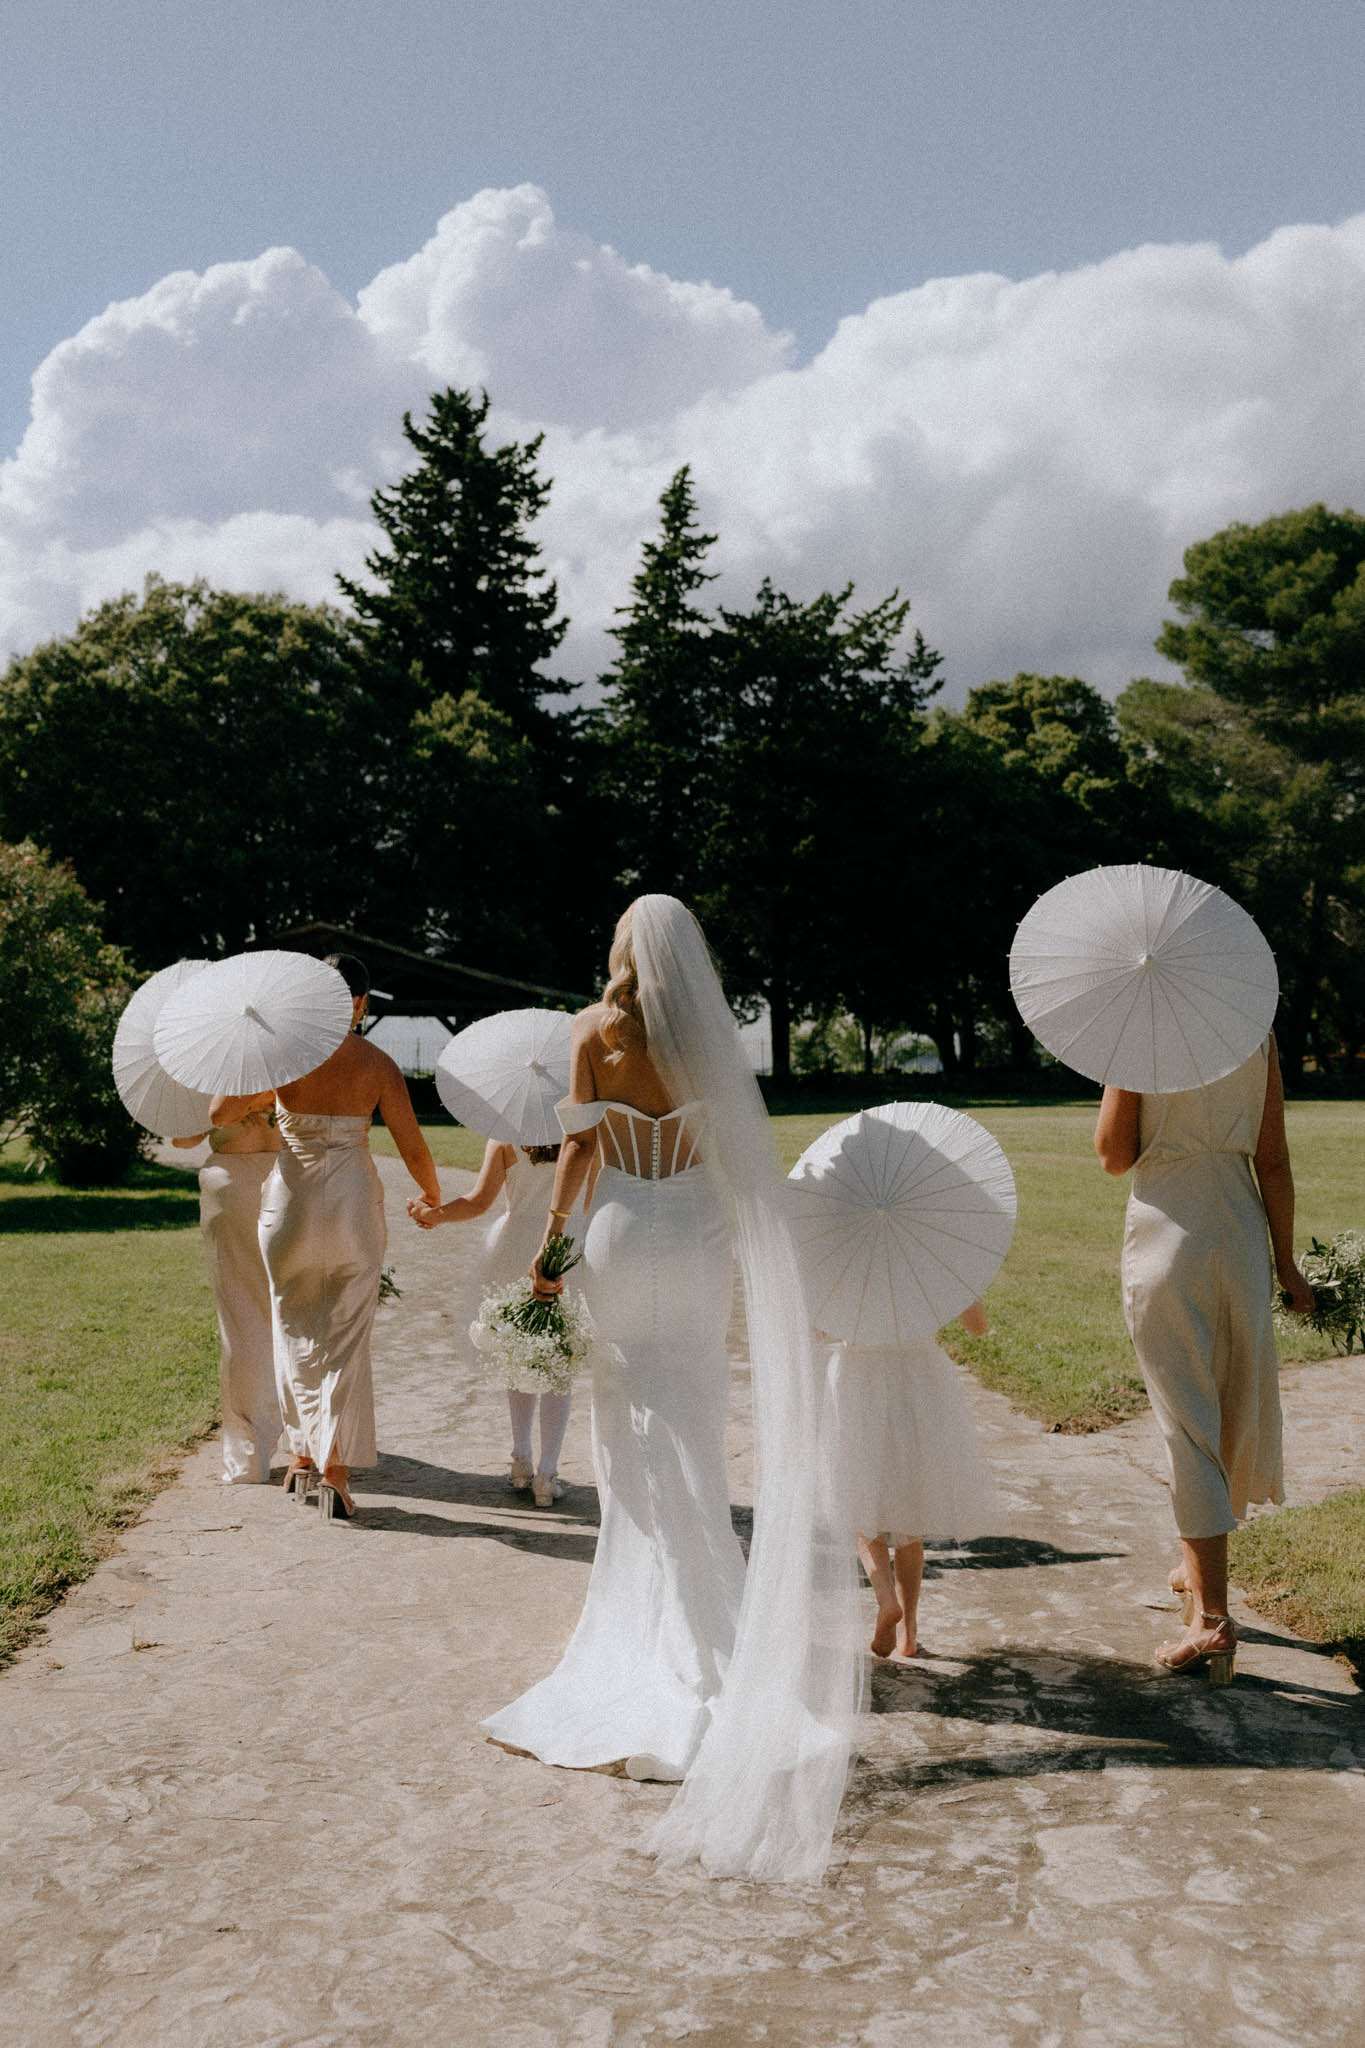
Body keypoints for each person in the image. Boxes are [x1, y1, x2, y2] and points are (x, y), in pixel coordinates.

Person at [479, 896, 862, 1885]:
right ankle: (712, 1639)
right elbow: (742, 1166)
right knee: (691, 1432)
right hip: (693, 1241)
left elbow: (578, 1148)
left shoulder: (591, 1034)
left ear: (618, 952)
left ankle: (638, 1625)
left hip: (614, 1234)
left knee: (626, 1443)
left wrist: (549, 1249)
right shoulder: (711, 1039)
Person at [1095, 1033, 1313, 1681]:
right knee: (1227, 1397)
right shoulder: (1256, 1032)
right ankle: (1196, 1564)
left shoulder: (1139, 1036)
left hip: (1169, 1228)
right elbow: (1271, 1159)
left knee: (1185, 1420)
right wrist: (1285, 1263)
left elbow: (1112, 1156)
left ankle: (1213, 1620)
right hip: (1240, 1229)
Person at [212, 953, 440, 1522]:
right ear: (361, 1005)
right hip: (353, 1210)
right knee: (344, 1339)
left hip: (289, 1209)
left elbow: (218, 1112)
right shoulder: (378, 1063)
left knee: (291, 1329)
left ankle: (302, 1458)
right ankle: (332, 1468)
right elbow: (412, 1146)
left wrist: (259, 1075)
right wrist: (432, 1194)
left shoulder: (282, 1060)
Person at [823, 1300, 1000, 1660]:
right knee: (912, 1508)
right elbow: (977, 1325)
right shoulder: (928, 1262)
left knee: (862, 1506)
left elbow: (817, 1330)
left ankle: (885, 1598)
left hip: (859, 1380)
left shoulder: (846, 1264)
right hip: (921, 1381)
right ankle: (909, 1637)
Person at [409, 1137, 580, 1507]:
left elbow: (478, 1202)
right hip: (563, 1245)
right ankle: (547, 1475)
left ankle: (521, 1460)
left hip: (512, 1246)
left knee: (516, 1353)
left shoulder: (506, 1137)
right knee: (558, 1361)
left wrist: (432, 1215)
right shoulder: (580, 1134)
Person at [172, 1107, 283, 1484]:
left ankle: (249, 1452)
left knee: (240, 1315)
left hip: (232, 1186)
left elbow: (182, 1139)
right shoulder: (292, 1066)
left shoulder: (219, 1077)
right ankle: (308, 1437)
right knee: (294, 1311)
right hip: (289, 1179)